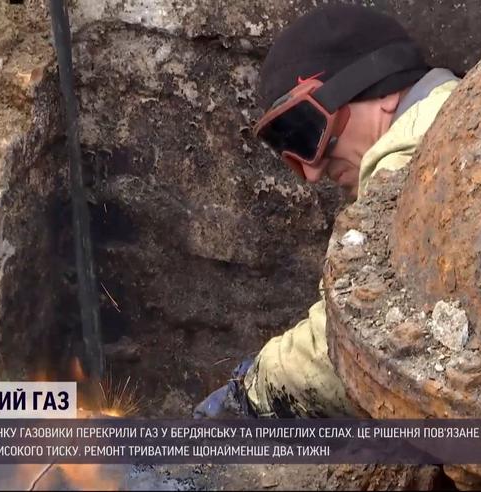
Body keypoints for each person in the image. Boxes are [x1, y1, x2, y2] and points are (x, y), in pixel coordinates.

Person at [194, 4, 460, 418]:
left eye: (308, 134)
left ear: (384, 91)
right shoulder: (458, 113)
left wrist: (250, 397)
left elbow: (354, 343)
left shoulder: (412, 159)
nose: (312, 172)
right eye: (291, 152)